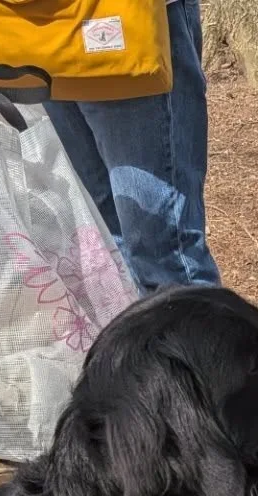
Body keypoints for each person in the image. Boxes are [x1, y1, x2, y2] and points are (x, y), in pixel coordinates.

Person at [46, 0, 220, 292]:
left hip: (126, 20)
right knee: (104, 236)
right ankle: (143, 333)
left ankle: (185, 336)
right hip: (40, 26)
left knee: (163, 250)